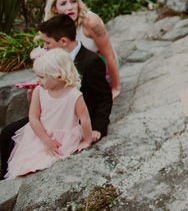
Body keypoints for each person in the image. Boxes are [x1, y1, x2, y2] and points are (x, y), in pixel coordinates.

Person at [0, 14, 112, 178]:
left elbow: (104, 98)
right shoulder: (49, 62)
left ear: (63, 41)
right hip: (50, 114)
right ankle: (5, 176)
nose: (44, 47)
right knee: (7, 133)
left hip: (72, 118)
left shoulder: (90, 61)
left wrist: (97, 128)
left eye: (47, 43)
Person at [5, 48, 93, 179]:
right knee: (27, 164)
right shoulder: (39, 91)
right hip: (40, 136)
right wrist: (46, 140)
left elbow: (84, 119)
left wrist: (87, 140)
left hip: (64, 138)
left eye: (41, 77)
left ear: (59, 76)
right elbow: (33, 118)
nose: (37, 80)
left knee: (50, 162)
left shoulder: (74, 95)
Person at [44, 0, 120, 98]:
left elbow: (110, 56)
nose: (70, 7)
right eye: (63, 4)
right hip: (73, 69)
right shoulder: (54, 27)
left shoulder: (91, 22)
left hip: (99, 68)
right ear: (55, 8)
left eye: (73, 1)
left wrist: (116, 88)